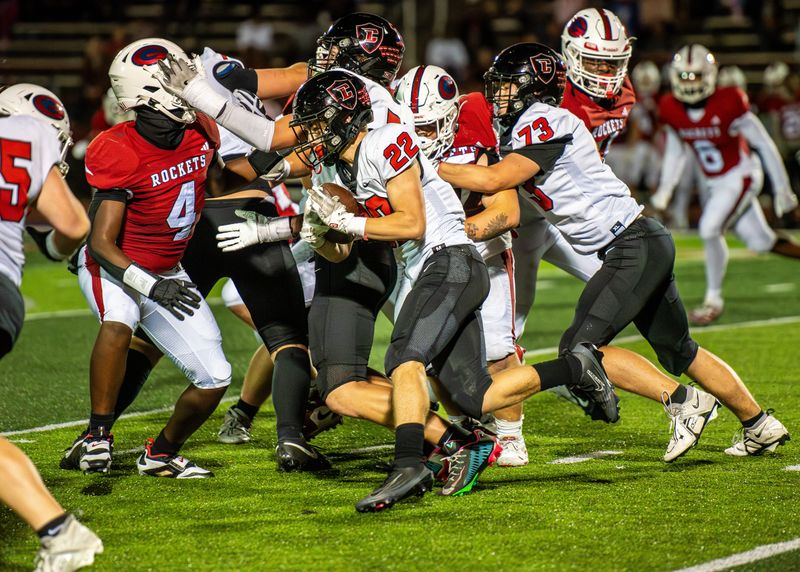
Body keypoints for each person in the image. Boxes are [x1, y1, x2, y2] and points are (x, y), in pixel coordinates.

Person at [438, 42, 791, 460]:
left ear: (533, 89)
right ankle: (759, 424)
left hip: (630, 246)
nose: (501, 96)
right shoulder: (529, 123)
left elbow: (497, 178)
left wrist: (429, 164)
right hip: (641, 241)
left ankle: (683, 402)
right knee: (680, 348)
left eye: (509, 87)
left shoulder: (543, 118)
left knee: (578, 352)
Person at [294, 70, 618, 511]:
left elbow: (412, 223)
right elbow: (341, 248)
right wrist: (322, 238)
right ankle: (575, 368)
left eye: (316, 124)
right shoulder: (338, 169)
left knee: (404, 359)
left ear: (343, 119)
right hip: (430, 270)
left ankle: (409, 464)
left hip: (450, 259)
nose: (310, 135)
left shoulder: (386, 140)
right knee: (473, 396)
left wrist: (347, 223)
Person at [61, 38, 232, 479]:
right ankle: (97, 435)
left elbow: (246, 169)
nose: (188, 88)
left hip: (168, 269)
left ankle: (160, 453)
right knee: (118, 323)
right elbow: (101, 242)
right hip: (113, 266)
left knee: (215, 377)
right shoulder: (118, 147)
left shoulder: (202, 130)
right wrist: (151, 286)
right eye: (176, 83)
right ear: (148, 94)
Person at [395, 64, 529, 466]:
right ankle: (465, 431)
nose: (421, 137)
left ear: (452, 116)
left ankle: (511, 435)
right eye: (413, 127)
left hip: (480, 251)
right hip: (421, 254)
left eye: (432, 127)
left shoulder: (474, 122)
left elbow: (507, 209)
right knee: (428, 349)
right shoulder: (388, 136)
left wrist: (453, 236)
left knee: (497, 350)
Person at [0, 83, 102, 571]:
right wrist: (47, 248)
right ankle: (61, 532)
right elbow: (74, 226)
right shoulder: (28, 135)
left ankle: (62, 532)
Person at [652, 44, 800, 326]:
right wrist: (665, 190)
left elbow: (764, 145)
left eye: (695, 76)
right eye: (684, 77)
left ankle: (713, 300)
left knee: (709, 228)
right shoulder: (671, 107)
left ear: (710, 75)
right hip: (715, 183)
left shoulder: (730, 101)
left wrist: (782, 189)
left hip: (742, 174)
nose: (690, 83)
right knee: (762, 241)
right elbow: (675, 150)